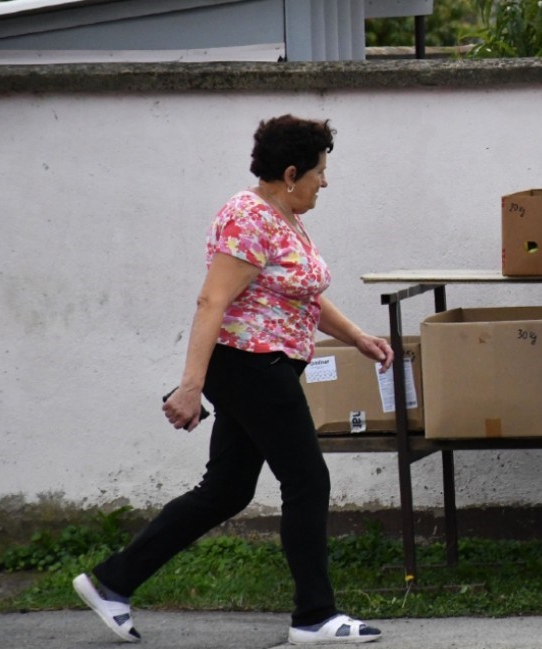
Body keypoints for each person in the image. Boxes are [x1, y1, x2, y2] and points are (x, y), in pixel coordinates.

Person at [73, 114, 392, 645]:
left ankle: (113, 582)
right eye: (320, 172)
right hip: (250, 366)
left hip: (264, 365)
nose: (325, 182)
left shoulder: (284, 215)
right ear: (291, 173)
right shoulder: (248, 217)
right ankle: (315, 616)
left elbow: (301, 294)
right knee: (307, 480)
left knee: (225, 491)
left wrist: (356, 336)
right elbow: (211, 300)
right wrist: (191, 385)